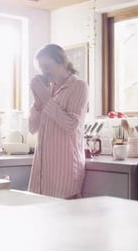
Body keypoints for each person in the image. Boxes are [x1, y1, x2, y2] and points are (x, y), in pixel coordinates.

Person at [28, 44, 89, 199]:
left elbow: (70, 125)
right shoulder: (48, 89)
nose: (44, 72)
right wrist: (37, 101)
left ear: (61, 62)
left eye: (47, 66)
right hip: (42, 171)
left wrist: (45, 97)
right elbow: (32, 128)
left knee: (65, 219)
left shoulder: (78, 86)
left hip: (64, 170)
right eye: (41, 68)